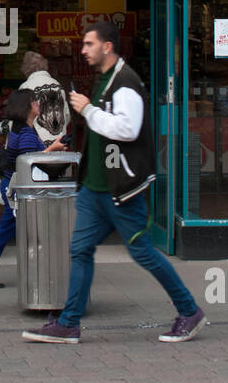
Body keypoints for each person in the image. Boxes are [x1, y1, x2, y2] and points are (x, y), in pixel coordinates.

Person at [22, 21, 205, 344]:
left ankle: (189, 311)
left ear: (107, 47)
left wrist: (89, 111)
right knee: (80, 249)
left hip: (121, 190)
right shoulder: (105, 79)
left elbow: (128, 130)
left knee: (142, 252)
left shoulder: (126, 83)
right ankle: (69, 323)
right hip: (95, 188)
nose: (83, 50)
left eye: (89, 44)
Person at [0, 89, 67, 289]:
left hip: (16, 186)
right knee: (9, 231)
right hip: (19, 189)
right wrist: (53, 149)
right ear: (26, 106)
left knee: (9, 231)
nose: (38, 105)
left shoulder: (21, 128)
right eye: (34, 102)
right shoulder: (24, 131)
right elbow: (28, 162)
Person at [18, 50, 69, 146]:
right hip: (59, 144)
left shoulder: (26, 86)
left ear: (26, 69)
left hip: (37, 147)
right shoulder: (57, 85)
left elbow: (20, 118)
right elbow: (66, 115)